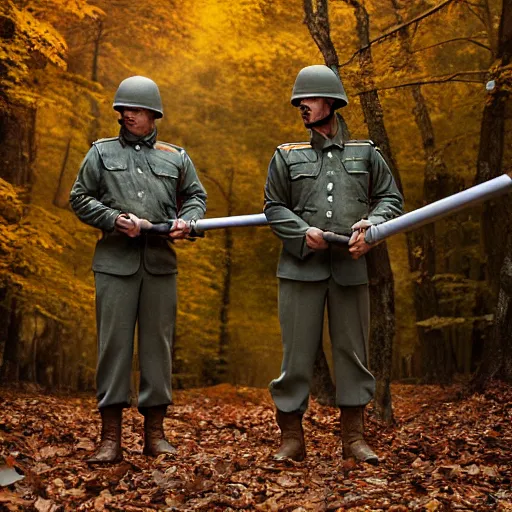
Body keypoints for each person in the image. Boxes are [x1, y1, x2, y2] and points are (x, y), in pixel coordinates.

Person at [264, 65, 403, 464]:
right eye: (298, 102)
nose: (301, 107)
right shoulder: (287, 157)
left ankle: (354, 439)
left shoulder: (366, 153)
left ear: (330, 102)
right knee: (295, 357)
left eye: (307, 100)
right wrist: (301, 233)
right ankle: (291, 438)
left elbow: (390, 200)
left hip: (350, 269)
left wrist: (372, 227)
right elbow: (273, 207)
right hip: (298, 269)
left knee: (352, 354)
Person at [70, 76, 207, 463]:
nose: (127, 115)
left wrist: (189, 221)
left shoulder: (175, 156)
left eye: (135, 109)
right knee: (113, 347)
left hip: (161, 265)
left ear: (153, 114)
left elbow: (195, 197)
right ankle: (110, 437)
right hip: (114, 264)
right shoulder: (100, 153)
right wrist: (114, 219)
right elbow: (79, 198)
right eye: (123, 109)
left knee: (157, 350)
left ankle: (155, 434)